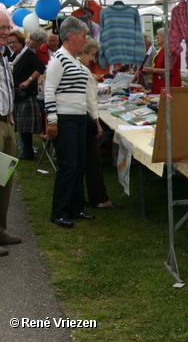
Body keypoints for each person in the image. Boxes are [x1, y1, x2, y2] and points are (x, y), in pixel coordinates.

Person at [45, 16, 95, 228]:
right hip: (64, 118)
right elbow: (49, 89)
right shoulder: (59, 59)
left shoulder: (74, 59)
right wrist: (52, 119)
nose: (86, 41)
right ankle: (59, 211)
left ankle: (76, 207)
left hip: (78, 117)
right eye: (83, 36)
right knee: (68, 166)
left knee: (78, 165)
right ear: (71, 35)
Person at [78, 38, 121, 209]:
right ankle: (99, 198)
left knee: (87, 161)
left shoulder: (76, 67)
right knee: (93, 160)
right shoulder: (82, 70)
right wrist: (97, 123)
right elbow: (90, 99)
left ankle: (89, 197)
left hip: (80, 118)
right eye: (92, 55)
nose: (93, 59)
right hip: (86, 118)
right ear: (83, 52)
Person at [0, 10, 21, 255]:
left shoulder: (5, 54)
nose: (6, 32)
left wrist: (10, 112)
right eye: (2, 28)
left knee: (5, 179)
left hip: (6, 121)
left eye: (7, 28)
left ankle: (0, 229)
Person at [7, 30, 45, 160]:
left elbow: (41, 67)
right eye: (9, 43)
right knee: (21, 126)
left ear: (21, 42)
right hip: (16, 94)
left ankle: (28, 152)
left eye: (14, 42)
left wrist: (28, 81)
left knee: (25, 126)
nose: (12, 45)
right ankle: (26, 150)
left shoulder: (28, 55)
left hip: (26, 94)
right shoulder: (12, 56)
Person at [142, 28, 181, 94]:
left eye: (159, 35)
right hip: (160, 86)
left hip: (169, 87)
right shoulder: (161, 50)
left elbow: (170, 70)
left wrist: (153, 70)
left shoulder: (170, 50)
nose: (157, 37)